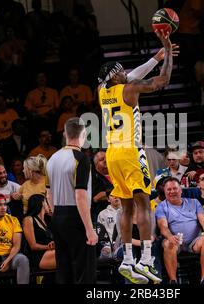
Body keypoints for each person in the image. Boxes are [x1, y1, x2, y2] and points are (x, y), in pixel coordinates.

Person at [97, 29, 173, 284]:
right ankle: (148, 258)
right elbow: (162, 80)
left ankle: (128, 258)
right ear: (116, 76)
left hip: (111, 154)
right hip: (130, 151)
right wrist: (168, 52)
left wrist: (155, 58)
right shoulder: (129, 90)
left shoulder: (102, 91)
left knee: (126, 207)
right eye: (120, 71)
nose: (124, 73)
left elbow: (131, 75)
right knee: (143, 203)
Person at [47, 118, 97, 284]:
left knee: (64, 269)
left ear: (65, 134)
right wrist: (89, 229)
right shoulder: (81, 158)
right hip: (76, 215)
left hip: (57, 215)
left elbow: (48, 194)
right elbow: (80, 196)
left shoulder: (52, 158)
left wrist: (56, 218)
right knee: (84, 270)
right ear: (84, 134)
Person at [156, 177, 204, 284]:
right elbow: (163, 227)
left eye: (175, 188)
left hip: (194, 241)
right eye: (169, 189)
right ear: (164, 192)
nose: (172, 191)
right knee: (168, 244)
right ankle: (173, 281)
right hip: (175, 241)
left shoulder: (194, 202)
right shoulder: (161, 207)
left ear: (181, 190)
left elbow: (203, 219)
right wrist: (170, 237)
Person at [23, 194, 55, 270]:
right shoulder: (28, 219)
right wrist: (48, 247)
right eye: (47, 202)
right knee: (65, 256)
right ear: (42, 203)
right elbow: (33, 246)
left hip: (51, 251)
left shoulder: (48, 219)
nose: (48, 205)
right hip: (38, 255)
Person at [91, 151, 113, 221]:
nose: (105, 160)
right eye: (101, 159)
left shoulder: (116, 173)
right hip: (102, 216)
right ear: (96, 165)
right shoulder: (93, 177)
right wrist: (115, 191)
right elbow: (96, 197)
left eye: (107, 158)